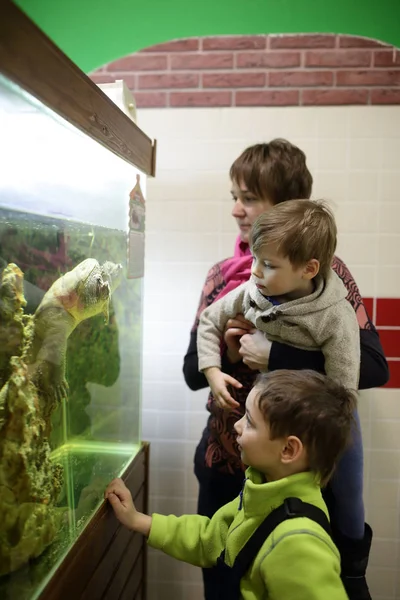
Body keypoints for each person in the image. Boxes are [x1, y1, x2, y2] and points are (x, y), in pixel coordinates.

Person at [183, 140, 388, 599]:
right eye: (233, 196)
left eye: (250, 197)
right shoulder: (223, 276)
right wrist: (231, 357)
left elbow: (373, 366)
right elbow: (191, 371)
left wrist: (275, 356)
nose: (237, 209)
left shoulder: (329, 279)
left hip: (301, 476)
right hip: (226, 464)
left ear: (288, 206)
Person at [105, 370, 356, 600]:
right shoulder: (261, 489)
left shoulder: (299, 544)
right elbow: (212, 537)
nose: (237, 426)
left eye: (250, 421)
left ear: (288, 449)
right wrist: (138, 520)